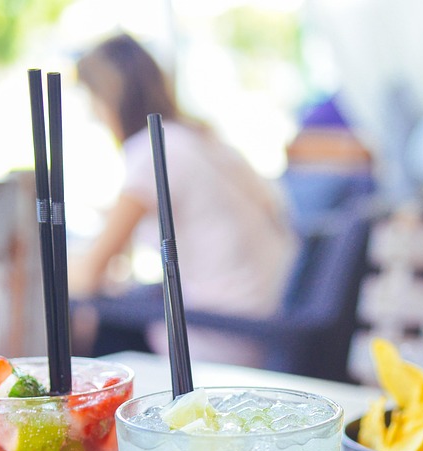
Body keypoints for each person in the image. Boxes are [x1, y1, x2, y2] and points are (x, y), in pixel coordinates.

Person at [68, 33, 297, 367]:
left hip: (217, 337)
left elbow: (91, 274)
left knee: (97, 325)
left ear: (108, 99)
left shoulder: (155, 150)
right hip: (267, 325)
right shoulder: (200, 138)